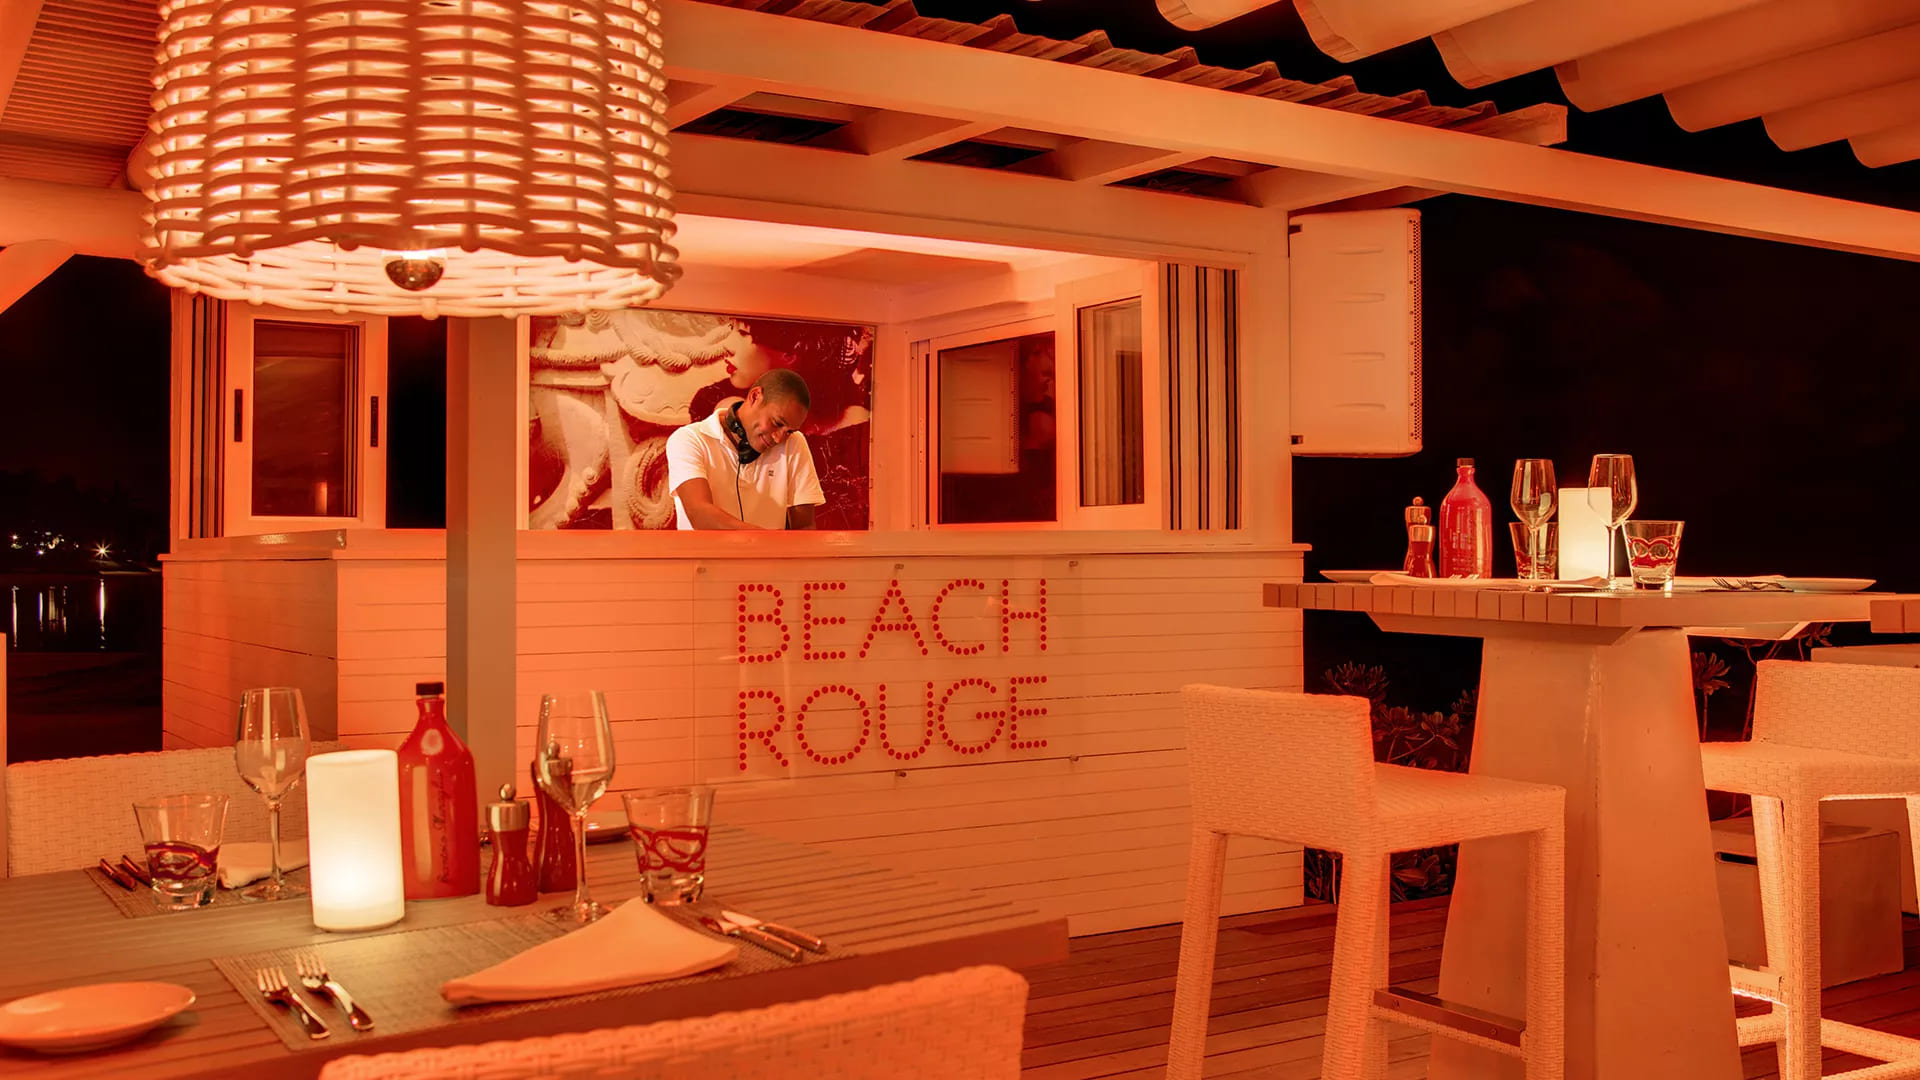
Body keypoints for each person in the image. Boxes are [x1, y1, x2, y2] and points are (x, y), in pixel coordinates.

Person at [666, 369, 824, 530]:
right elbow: (700, 513)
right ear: (755, 396)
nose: (779, 439)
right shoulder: (689, 439)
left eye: (789, 431)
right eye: (777, 423)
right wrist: (765, 541)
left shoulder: (794, 443)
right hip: (723, 549)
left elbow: (805, 526)